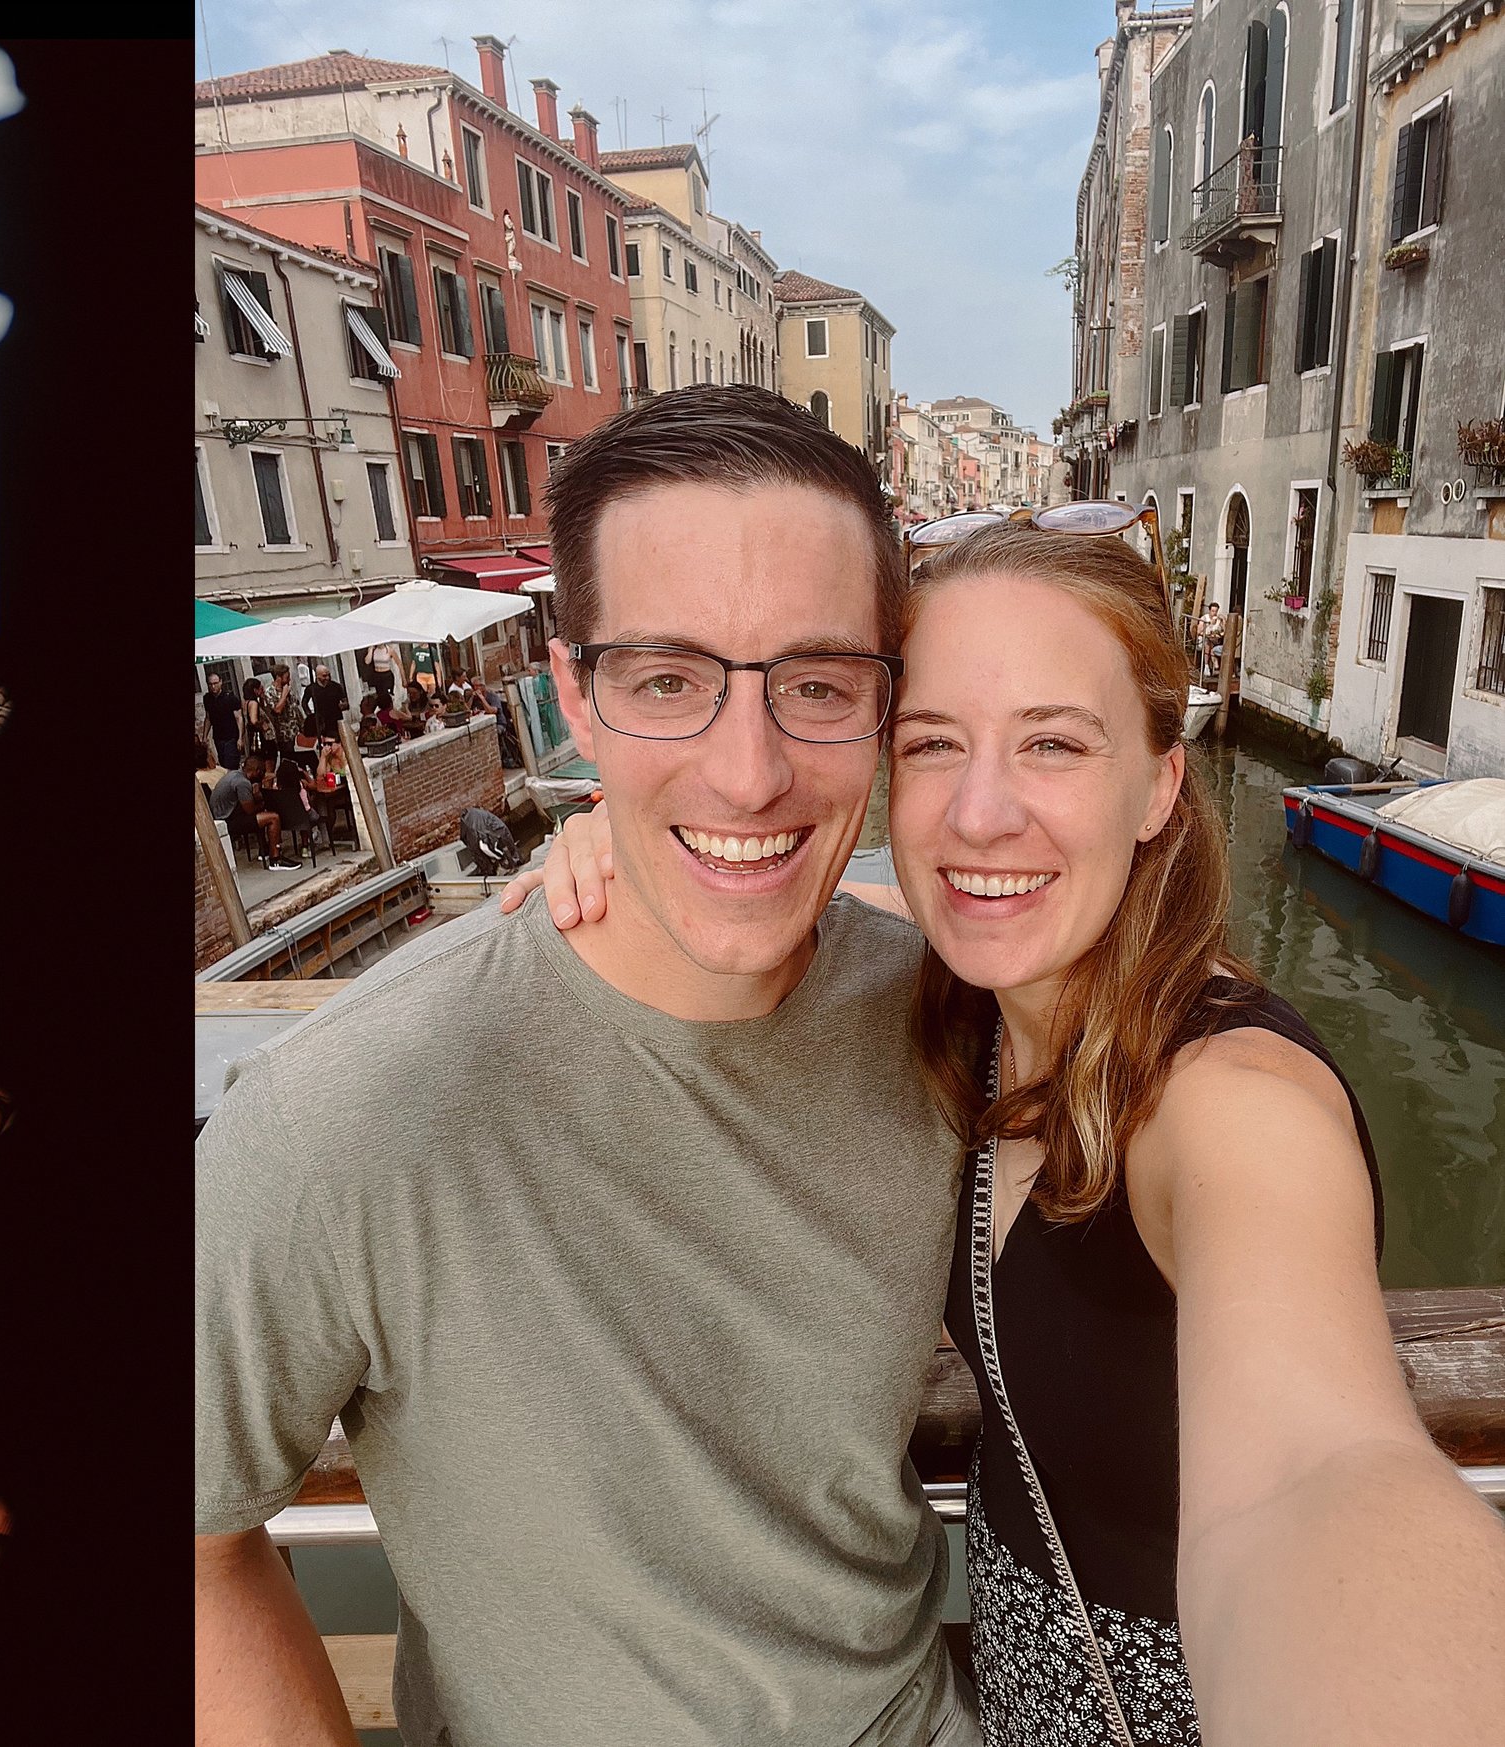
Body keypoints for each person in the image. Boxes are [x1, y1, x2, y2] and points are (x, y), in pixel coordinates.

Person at [504, 524, 1505, 1742]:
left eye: (1052, 743)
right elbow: (847, 907)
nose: (979, 814)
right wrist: (651, 847)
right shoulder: (971, 1004)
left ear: (1158, 785)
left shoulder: (1232, 1099)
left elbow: (1321, 1471)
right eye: (932, 746)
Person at [200, 385, 979, 1746]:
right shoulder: (341, 1107)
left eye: (815, 682)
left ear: (882, 701)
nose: (748, 771)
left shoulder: (954, 1017)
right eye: (668, 679)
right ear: (576, 695)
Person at [212, 752, 298, 871]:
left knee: (263, 815)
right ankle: (275, 859)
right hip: (228, 822)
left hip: (224, 815)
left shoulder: (234, 774)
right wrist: (264, 803)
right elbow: (250, 810)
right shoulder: (242, 783)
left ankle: (264, 850)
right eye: (262, 772)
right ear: (257, 771)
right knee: (273, 817)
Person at [303, 661, 349, 744]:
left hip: (336, 719)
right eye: (324, 676)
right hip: (321, 721)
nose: (327, 678)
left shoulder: (336, 686)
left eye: (328, 675)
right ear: (317, 676)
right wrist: (310, 715)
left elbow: (345, 700)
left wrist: (343, 705)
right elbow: (304, 703)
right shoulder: (311, 689)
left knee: (337, 742)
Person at [205, 668, 242, 771]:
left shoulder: (230, 698)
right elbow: (208, 718)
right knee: (223, 764)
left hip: (231, 737)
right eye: (210, 684)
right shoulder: (207, 699)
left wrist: (240, 738)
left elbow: (239, 718)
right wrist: (204, 736)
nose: (213, 687)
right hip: (218, 737)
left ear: (220, 682)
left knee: (231, 763)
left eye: (215, 683)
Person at [1193, 599, 1223, 684]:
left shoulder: (1218, 620)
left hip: (1213, 639)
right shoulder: (1204, 618)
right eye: (1213, 611)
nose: (1214, 613)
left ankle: (1215, 667)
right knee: (1207, 642)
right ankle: (1207, 666)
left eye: (1216, 611)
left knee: (1212, 644)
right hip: (1202, 639)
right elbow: (1199, 631)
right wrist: (1209, 623)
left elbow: (1222, 630)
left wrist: (1223, 621)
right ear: (1209, 610)